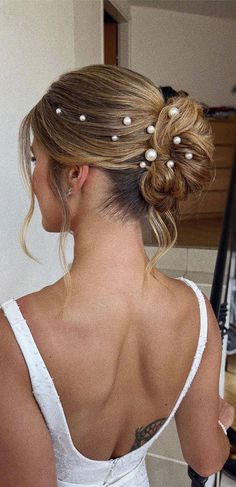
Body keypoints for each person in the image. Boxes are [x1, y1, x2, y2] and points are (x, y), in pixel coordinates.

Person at [0, 64, 234, 487]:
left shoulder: (17, 336)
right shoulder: (195, 313)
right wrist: (219, 416)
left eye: (37, 158)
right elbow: (206, 458)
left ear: (75, 173)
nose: (33, 176)